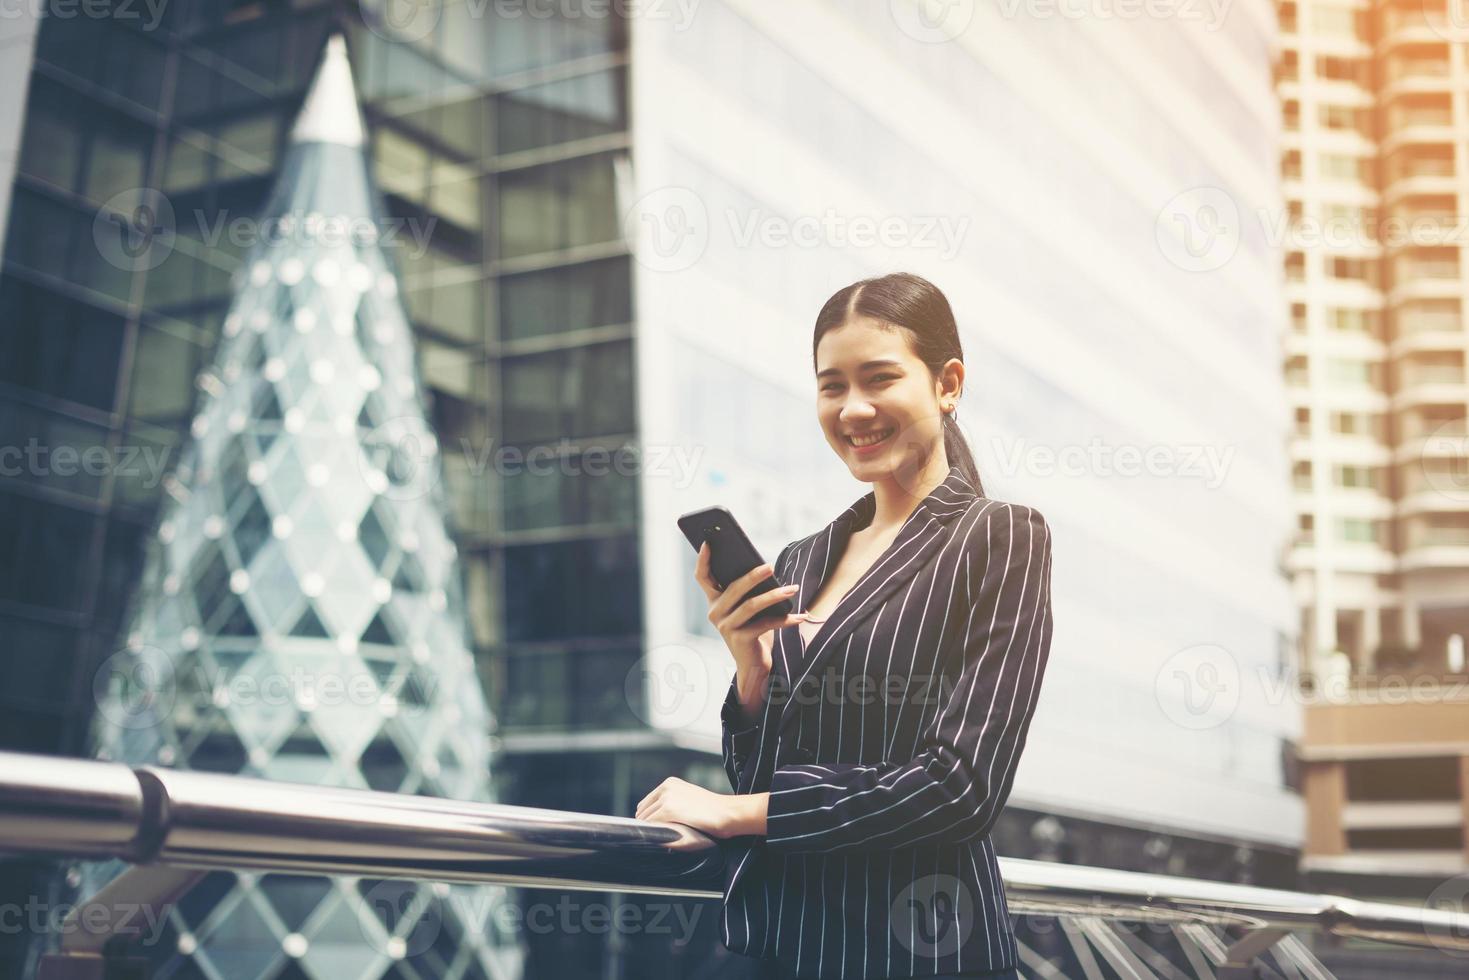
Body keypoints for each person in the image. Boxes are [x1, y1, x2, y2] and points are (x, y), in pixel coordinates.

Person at [636, 272, 1053, 979]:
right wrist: (752, 676)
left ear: (947, 384)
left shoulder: (999, 537)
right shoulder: (805, 557)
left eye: (879, 379)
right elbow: (768, 772)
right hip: (793, 947)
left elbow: (959, 790)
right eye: (832, 386)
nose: (852, 408)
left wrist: (731, 812)